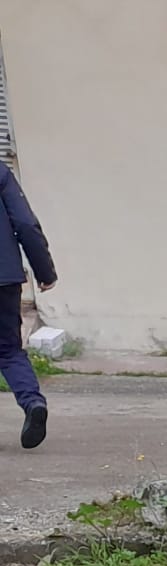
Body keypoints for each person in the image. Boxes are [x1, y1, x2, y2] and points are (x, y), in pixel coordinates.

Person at [1, 160, 57, 451]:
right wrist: (44, 271)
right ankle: (33, 402)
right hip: (4, 277)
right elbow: (25, 223)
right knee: (8, 349)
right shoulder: (0, 172)